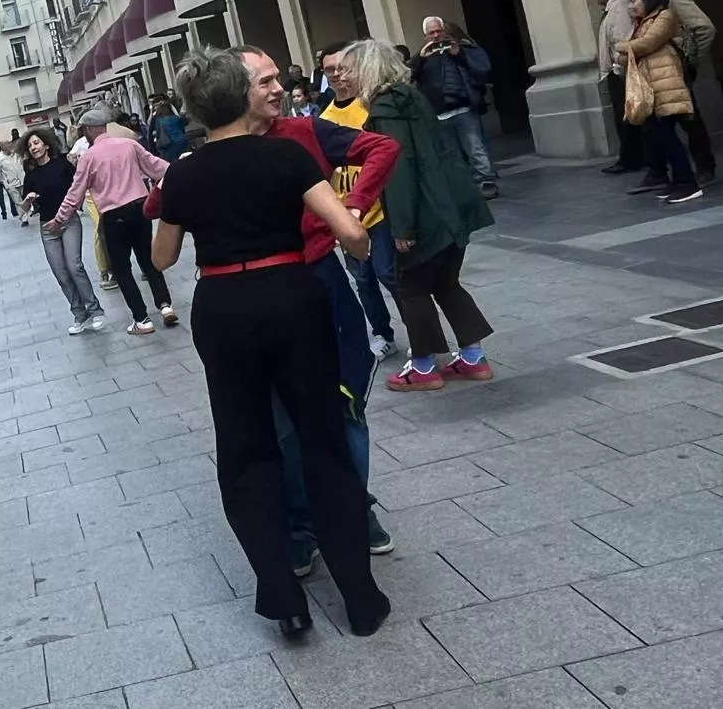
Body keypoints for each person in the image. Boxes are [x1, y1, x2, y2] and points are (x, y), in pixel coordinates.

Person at [150, 46, 389, 640]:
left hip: (224, 305)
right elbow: (350, 230)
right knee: (322, 437)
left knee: (245, 446)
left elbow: (163, 257)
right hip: (292, 294)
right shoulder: (286, 153)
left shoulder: (184, 172)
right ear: (243, 95)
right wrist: (357, 244)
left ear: (193, 111)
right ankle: (359, 599)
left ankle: (283, 597)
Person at [343, 39, 496, 392]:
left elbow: (398, 168)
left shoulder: (386, 109)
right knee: (445, 281)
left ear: (368, 69)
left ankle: (424, 366)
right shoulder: (410, 97)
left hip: (427, 210)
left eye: (349, 69)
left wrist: (404, 226)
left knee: (411, 286)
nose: (344, 76)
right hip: (451, 204)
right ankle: (473, 357)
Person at [51, 108, 176, 335]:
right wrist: (181, 171)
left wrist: (59, 219)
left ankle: (142, 319)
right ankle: (165, 305)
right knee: (148, 259)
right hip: (140, 208)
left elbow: (75, 193)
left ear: (89, 129)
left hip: (113, 215)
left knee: (122, 268)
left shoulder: (88, 157)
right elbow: (158, 167)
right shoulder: (129, 145)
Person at [319, 44, 400, 362]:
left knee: (388, 273)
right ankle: (382, 334)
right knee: (363, 280)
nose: (337, 74)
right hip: (345, 214)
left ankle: (421, 330)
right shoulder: (324, 119)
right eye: (329, 70)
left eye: (342, 67)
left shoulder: (370, 108)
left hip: (378, 211)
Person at [624, 0, 717, 189]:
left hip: (673, 67)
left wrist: (690, 60)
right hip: (653, 69)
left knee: (689, 119)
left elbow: (704, 28)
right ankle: (658, 171)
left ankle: (704, 168)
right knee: (651, 123)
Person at [619, 0, 704, 205]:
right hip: (652, 88)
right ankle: (678, 182)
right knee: (659, 137)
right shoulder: (641, 23)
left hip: (666, 86)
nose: (631, 6)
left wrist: (620, 47)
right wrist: (627, 49)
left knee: (667, 137)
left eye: (634, 0)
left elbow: (646, 44)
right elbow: (628, 54)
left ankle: (688, 184)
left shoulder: (664, 17)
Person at [22, 128, 104, 334]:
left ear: (46, 145)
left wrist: (74, 208)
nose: (34, 148)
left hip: (68, 222)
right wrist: (27, 200)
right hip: (47, 227)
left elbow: (77, 186)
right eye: (31, 145)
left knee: (74, 266)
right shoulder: (31, 173)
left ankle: (95, 311)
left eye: (37, 143)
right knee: (61, 273)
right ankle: (79, 315)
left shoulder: (61, 164)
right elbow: (23, 207)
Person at [412, 17, 498, 200]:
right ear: (425, 36)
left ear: (444, 30)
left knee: (474, 147)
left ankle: (486, 182)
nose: (436, 36)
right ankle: (465, 187)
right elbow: (408, 76)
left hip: (464, 108)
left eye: (438, 31)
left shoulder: (460, 49)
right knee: (451, 154)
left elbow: (480, 71)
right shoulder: (422, 56)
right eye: (431, 33)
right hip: (440, 112)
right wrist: (420, 58)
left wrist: (459, 54)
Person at [592, 0, 643, 175]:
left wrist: (617, 68)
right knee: (624, 116)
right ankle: (633, 157)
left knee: (626, 117)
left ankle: (631, 158)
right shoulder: (611, 9)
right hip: (616, 69)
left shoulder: (619, 7)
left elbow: (621, 38)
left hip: (620, 70)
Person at [67, 129, 113, 288]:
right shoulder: (81, 144)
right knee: (99, 229)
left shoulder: (108, 140)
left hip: (109, 188)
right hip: (91, 192)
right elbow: (70, 157)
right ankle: (104, 270)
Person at [0, 140, 29, 225]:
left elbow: (22, 161)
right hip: (11, 183)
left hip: (22, 179)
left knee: (25, 199)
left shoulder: (16, 154)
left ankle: (28, 211)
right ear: (2, 147)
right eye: (7, 144)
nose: (9, 145)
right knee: (18, 201)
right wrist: (5, 182)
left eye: (9, 143)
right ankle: (24, 219)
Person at [150, 96, 189, 160]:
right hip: (181, 141)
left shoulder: (158, 120)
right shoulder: (176, 118)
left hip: (168, 144)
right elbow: (182, 129)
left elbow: (158, 133)